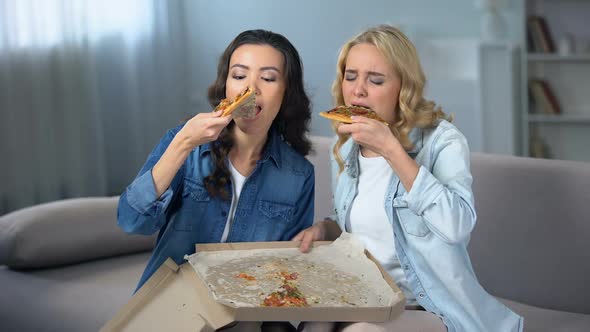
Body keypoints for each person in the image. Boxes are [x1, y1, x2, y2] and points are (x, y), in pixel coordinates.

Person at [294, 25, 523, 332]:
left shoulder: (442, 142)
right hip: (363, 295)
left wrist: (392, 150)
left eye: (375, 80)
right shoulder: (347, 147)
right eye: (351, 76)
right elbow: (352, 222)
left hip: (426, 306)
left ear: (403, 87)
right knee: (313, 324)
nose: (358, 90)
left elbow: (456, 226)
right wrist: (325, 227)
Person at [117, 29, 315, 301]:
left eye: (268, 78)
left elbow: (288, 268)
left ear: (286, 93)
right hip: (169, 305)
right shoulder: (183, 142)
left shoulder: (299, 175)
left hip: (245, 312)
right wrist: (183, 143)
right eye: (239, 76)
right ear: (226, 86)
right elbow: (132, 222)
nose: (250, 89)